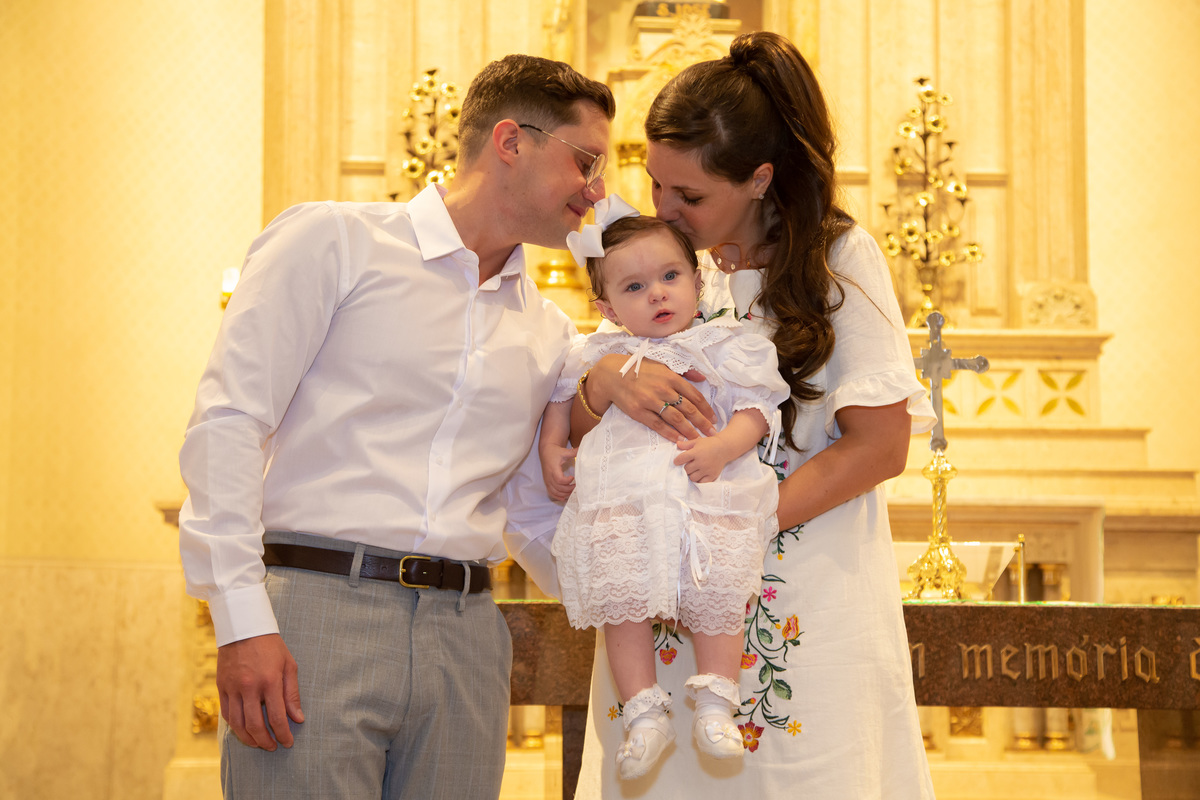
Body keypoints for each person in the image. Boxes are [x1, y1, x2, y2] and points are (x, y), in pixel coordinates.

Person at [177, 54, 614, 799]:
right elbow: (228, 423)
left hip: (467, 637)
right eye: (586, 161)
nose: (597, 189)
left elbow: (528, 509)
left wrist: (642, 600)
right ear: (511, 141)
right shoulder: (332, 243)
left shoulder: (548, 332)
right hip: (316, 611)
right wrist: (242, 619)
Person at [568, 31, 939, 798]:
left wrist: (734, 521)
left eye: (690, 196)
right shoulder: (662, 266)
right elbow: (585, 440)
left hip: (805, 600)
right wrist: (600, 384)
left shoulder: (839, 259)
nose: (664, 210)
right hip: (659, 598)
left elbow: (880, 446)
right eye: (655, 183)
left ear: (760, 179)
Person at [538, 202, 790, 780]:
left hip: (704, 499)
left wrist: (723, 447)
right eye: (634, 286)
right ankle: (643, 713)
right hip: (624, 503)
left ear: (698, 282)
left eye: (670, 276)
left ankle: (718, 704)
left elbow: (757, 408)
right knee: (621, 605)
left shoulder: (724, 343)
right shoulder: (598, 353)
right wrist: (553, 447)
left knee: (718, 593)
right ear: (607, 307)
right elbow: (559, 398)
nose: (656, 293)